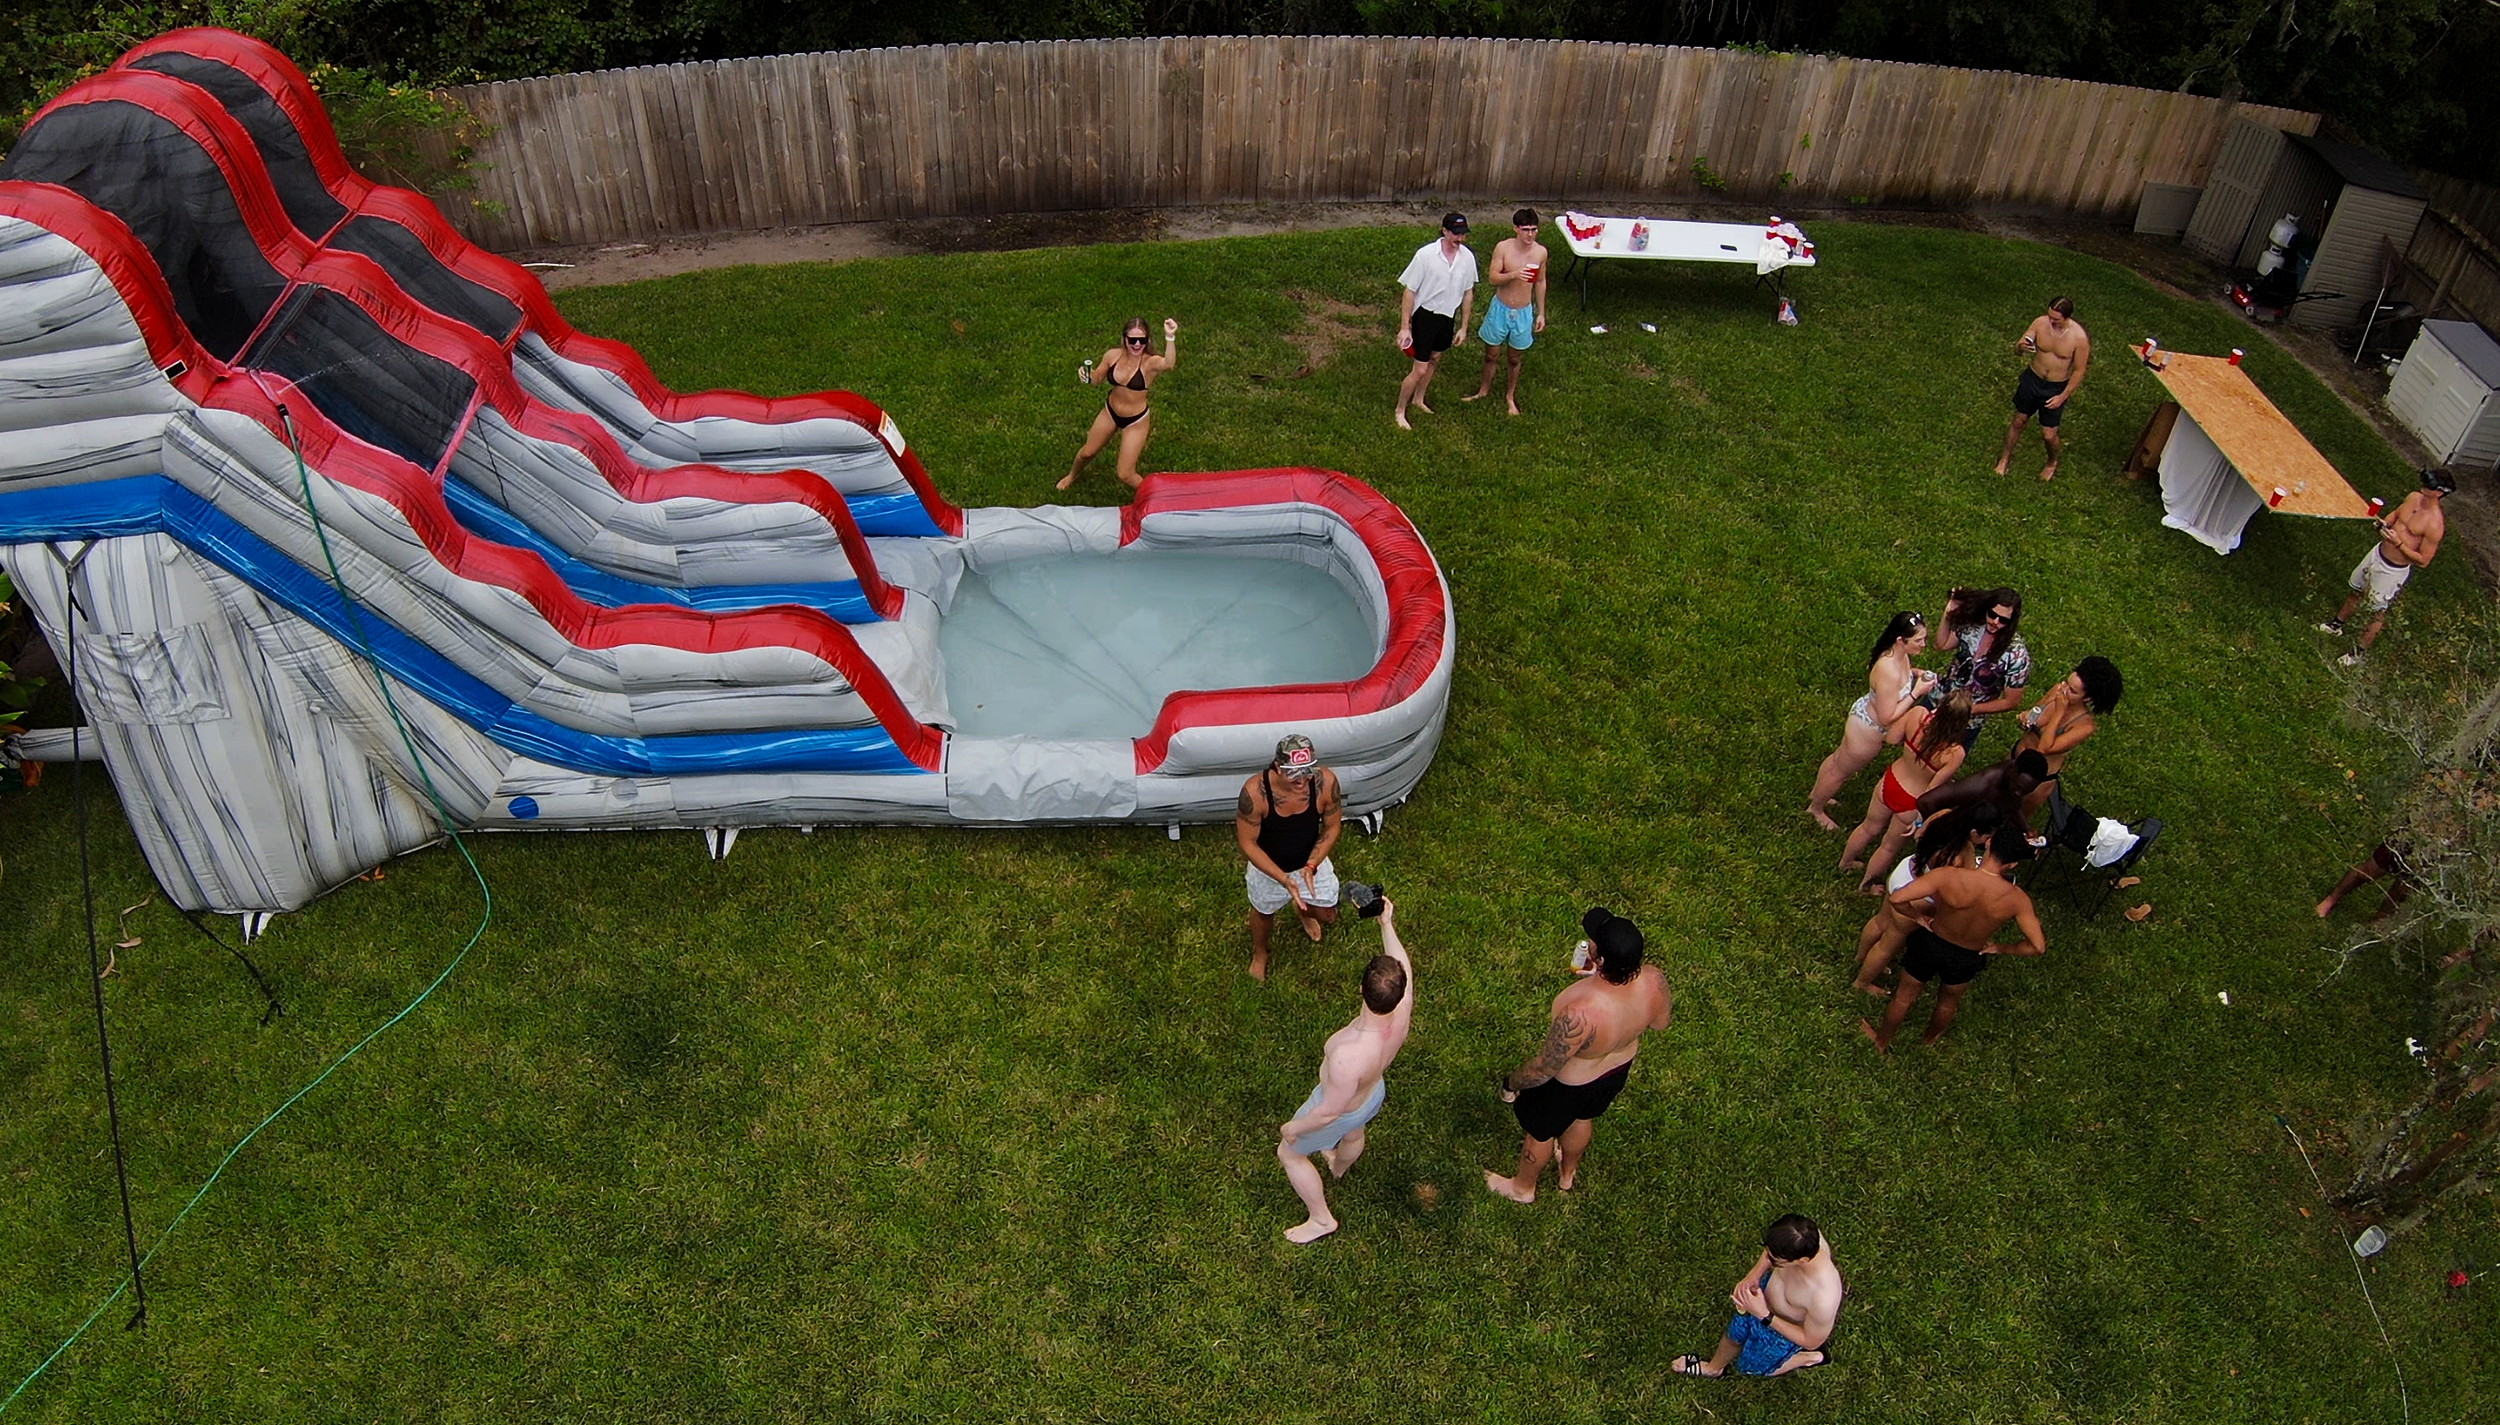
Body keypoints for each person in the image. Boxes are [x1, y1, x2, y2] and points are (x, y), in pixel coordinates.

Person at [1484, 907, 1672, 1204]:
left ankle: (1522, 1188)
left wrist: (1513, 1083)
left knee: (1540, 1134)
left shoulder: (1580, 1012)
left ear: (1600, 958)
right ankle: (1567, 1173)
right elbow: (1660, 1023)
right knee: (1581, 1119)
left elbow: (1544, 1068)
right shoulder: (1654, 980)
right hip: (1615, 1071)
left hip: (1568, 1085)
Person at [1276, 897, 1416, 1244]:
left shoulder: (1347, 1056)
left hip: (1340, 1107)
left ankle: (1321, 1219)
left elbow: (1328, 1113)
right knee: (1353, 1131)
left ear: (1360, 990)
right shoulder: (1402, 1010)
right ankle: (1338, 1166)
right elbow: (1403, 964)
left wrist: (1294, 1127)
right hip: (1371, 1095)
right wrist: (1386, 923)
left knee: (1288, 1154)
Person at [1862, 824, 2045, 1052]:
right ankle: (1929, 1040)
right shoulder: (2018, 900)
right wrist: (2000, 948)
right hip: (1967, 957)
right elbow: (2037, 947)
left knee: (1904, 997)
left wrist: (1918, 918)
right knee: (1948, 1002)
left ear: (1988, 844)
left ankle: (1881, 1042)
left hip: (1931, 943)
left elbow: (1898, 898)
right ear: (2013, 864)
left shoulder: (1948, 876)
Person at [1807, 612, 1938, 830]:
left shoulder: (1899, 656)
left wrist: (1916, 673)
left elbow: (1900, 679)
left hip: (1865, 720)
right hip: (1868, 732)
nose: (1923, 644)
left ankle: (1817, 792)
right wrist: (1916, 693)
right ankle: (1816, 808)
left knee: (1837, 761)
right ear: (1900, 640)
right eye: (1918, 640)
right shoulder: (1888, 671)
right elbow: (1888, 716)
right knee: (1840, 771)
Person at [1671, 1215, 1844, 1379]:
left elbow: (1811, 1340)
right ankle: (1713, 1368)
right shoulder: (1801, 1236)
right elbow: (1772, 1251)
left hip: (1779, 1330)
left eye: (1775, 1260)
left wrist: (1764, 1315)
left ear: (1802, 1260)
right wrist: (1753, 1276)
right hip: (1758, 1302)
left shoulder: (1823, 1296)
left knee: (1750, 1367)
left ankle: (1809, 1358)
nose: (1769, 1259)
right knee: (1734, 1334)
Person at [1851, 804, 1999, 994]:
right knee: (1888, 945)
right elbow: (1959, 888)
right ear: (1973, 832)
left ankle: (1861, 957)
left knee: (1880, 922)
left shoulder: (1945, 817)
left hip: (1906, 870)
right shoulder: (1960, 854)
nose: (1987, 840)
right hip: (1917, 896)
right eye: (1986, 836)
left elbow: (1919, 834)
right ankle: (1862, 982)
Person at [1840, 690, 1974, 889]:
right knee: (1888, 847)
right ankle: (1865, 887)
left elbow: (1892, 738)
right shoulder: (1954, 753)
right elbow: (1933, 788)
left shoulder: (1917, 715)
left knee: (1868, 827)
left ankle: (1845, 862)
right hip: (1912, 801)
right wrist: (1920, 819)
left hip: (1891, 781)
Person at [1236, 733, 1344, 981]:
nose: (1302, 780)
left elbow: (1332, 827)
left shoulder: (1325, 783)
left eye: (1307, 771)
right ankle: (1260, 953)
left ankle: (1303, 911)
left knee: (1328, 915)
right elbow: (1247, 844)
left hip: (1309, 864)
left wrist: (1311, 865)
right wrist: (1283, 879)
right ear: (1276, 767)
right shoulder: (1255, 793)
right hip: (1269, 867)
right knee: (1263, 912)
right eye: (1293, 773)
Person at [2319, 469, 2452, 666]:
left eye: (2429, 485)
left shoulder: (2434, 524)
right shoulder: (2413, 497)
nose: (2423, 486)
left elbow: (2424, 560)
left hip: (2392, 570)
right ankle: (2336, 625)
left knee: (2376, 613)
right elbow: (2396, 515)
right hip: (2377, 553)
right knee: (2355, 591)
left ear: (2439, 492)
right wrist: (2385, 523)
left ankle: (2357, 652)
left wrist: (2399, 544)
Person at [1059, 316, 1179, 491]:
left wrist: (1170, 337)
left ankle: (1156, 494)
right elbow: (1097, 378)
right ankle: (1072, 475)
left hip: (1135, 420)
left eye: (1142, 340)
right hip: (1110, 413)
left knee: (1126, 474)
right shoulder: (1112, 356)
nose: (1137, 344)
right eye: (1132, 340)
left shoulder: (1149, 363)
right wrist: (1087, 376)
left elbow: (1169, 364)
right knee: (1087, 453)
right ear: (1124, 339)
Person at [2011, 656, 2122, 823]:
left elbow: (2044, 749)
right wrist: (2026, 718)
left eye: (2072, 691)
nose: (2063, 690)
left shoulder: (2084, 726)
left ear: (2087, 698)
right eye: (2066, 683)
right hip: (2015, 757)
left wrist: (2058, 713)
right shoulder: (2057, 690)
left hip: (2036, 780)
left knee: (2012, 817)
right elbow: (2035, 712)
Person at [1394, 213, 1478, 430]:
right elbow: (1409, 291)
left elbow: (1468, 293)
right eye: (1455, 233)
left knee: (1435, 359)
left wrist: (1464, 326)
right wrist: (1405, 327)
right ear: (1444, 231)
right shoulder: (1426, 255)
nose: (1459, 238)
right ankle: (1400, 410)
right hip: (1425, 315)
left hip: (1447, 317)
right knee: (1419, 369)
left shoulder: (1467, 258)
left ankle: (1419, 399)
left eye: (1462, 234)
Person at [1461, 209, 1548, 416]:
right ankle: (1483, 390)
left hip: (1523, 311)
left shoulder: (1540, 252)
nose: (1530, 234)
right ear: (1515, 229)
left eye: (1534, 230)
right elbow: (1492, 278)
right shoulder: (1503, 248)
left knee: (1514, 358)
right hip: (1500, 308)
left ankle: (1510, 396)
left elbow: (1541, 281)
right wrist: (1513, 274)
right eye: (1525, 230)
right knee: (1491, 355)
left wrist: (1541, 313)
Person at [1993, 296, 2089, 481]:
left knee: (2048, 435)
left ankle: (2052, 461)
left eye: (2056, 320)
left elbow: (2079, 371)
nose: (2051, 321)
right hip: (2032, 379)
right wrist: (2021, 347)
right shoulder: (2040, 323)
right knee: (2018, 421)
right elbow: (2018, 348)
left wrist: (2062, 396)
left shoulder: (2078, 338)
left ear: (2067, 317)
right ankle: (2004, 459)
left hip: (2055, 387)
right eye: (2050, 316)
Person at [1931, 587, 2030, 749]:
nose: (1995, 622)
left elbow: (2011, 701)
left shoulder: (2016, 655)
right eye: (1992, 614)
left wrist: (1971, 710)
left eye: (2003, 620)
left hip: (1966, 720)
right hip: (1939, 697)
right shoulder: (1972, 626)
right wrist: (1948, 613)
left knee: (1942, 760)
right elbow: (1941, 644)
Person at [1915, 747, 2048, 828]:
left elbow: (2012, 805)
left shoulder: (2014, 783)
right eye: (2018, 787)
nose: (2019, 794)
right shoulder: (1980, 785)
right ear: (2012, 768)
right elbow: (1925, 801)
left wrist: (2025, 830)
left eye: (2026, 791)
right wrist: (1936, 828)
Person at [2316, 841, 2416, 923]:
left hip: (2430, 849)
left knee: (2402, 889)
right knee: (2368, 871)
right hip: (2417, 830)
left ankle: (2378, 923)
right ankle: (2331, 899)